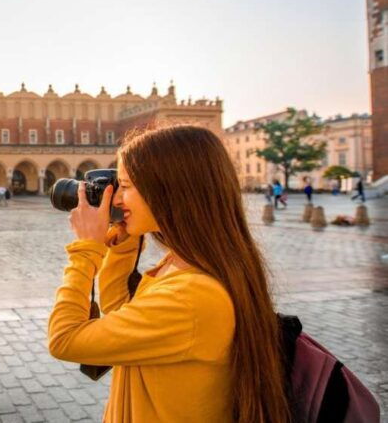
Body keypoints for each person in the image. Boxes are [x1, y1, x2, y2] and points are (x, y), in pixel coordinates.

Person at [48, 126, 291, 422]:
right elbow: (121, 313)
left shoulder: (191, 296)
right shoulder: (185, 263)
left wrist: (86, 250)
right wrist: (122, 246)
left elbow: (65, 339)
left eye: (125, 186)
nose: (116, 199)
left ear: (169, 190)